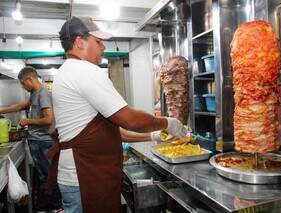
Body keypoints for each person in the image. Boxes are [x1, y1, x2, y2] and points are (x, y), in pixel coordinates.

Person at [47, 16, 187, 213]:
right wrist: (167, 123)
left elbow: (111, 131)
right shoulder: (84, 71)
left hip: (82, 177)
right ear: (79, 42)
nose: (103, 47)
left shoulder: (67, 71)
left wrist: (152, 136)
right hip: (86, 178)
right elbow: (128, 119)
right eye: (98, 41)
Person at [0, 66, 62, 211]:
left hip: (43, 142)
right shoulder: (35, 93)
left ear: (29, 79)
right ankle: (52, 204)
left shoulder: (43, 94)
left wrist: (28, 122)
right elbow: (20, 106)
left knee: (48, 175)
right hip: (37, 141)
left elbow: (48, 119)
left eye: (22, 83)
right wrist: (2, 110)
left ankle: (57, 206)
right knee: (43, 175)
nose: (22, 86)